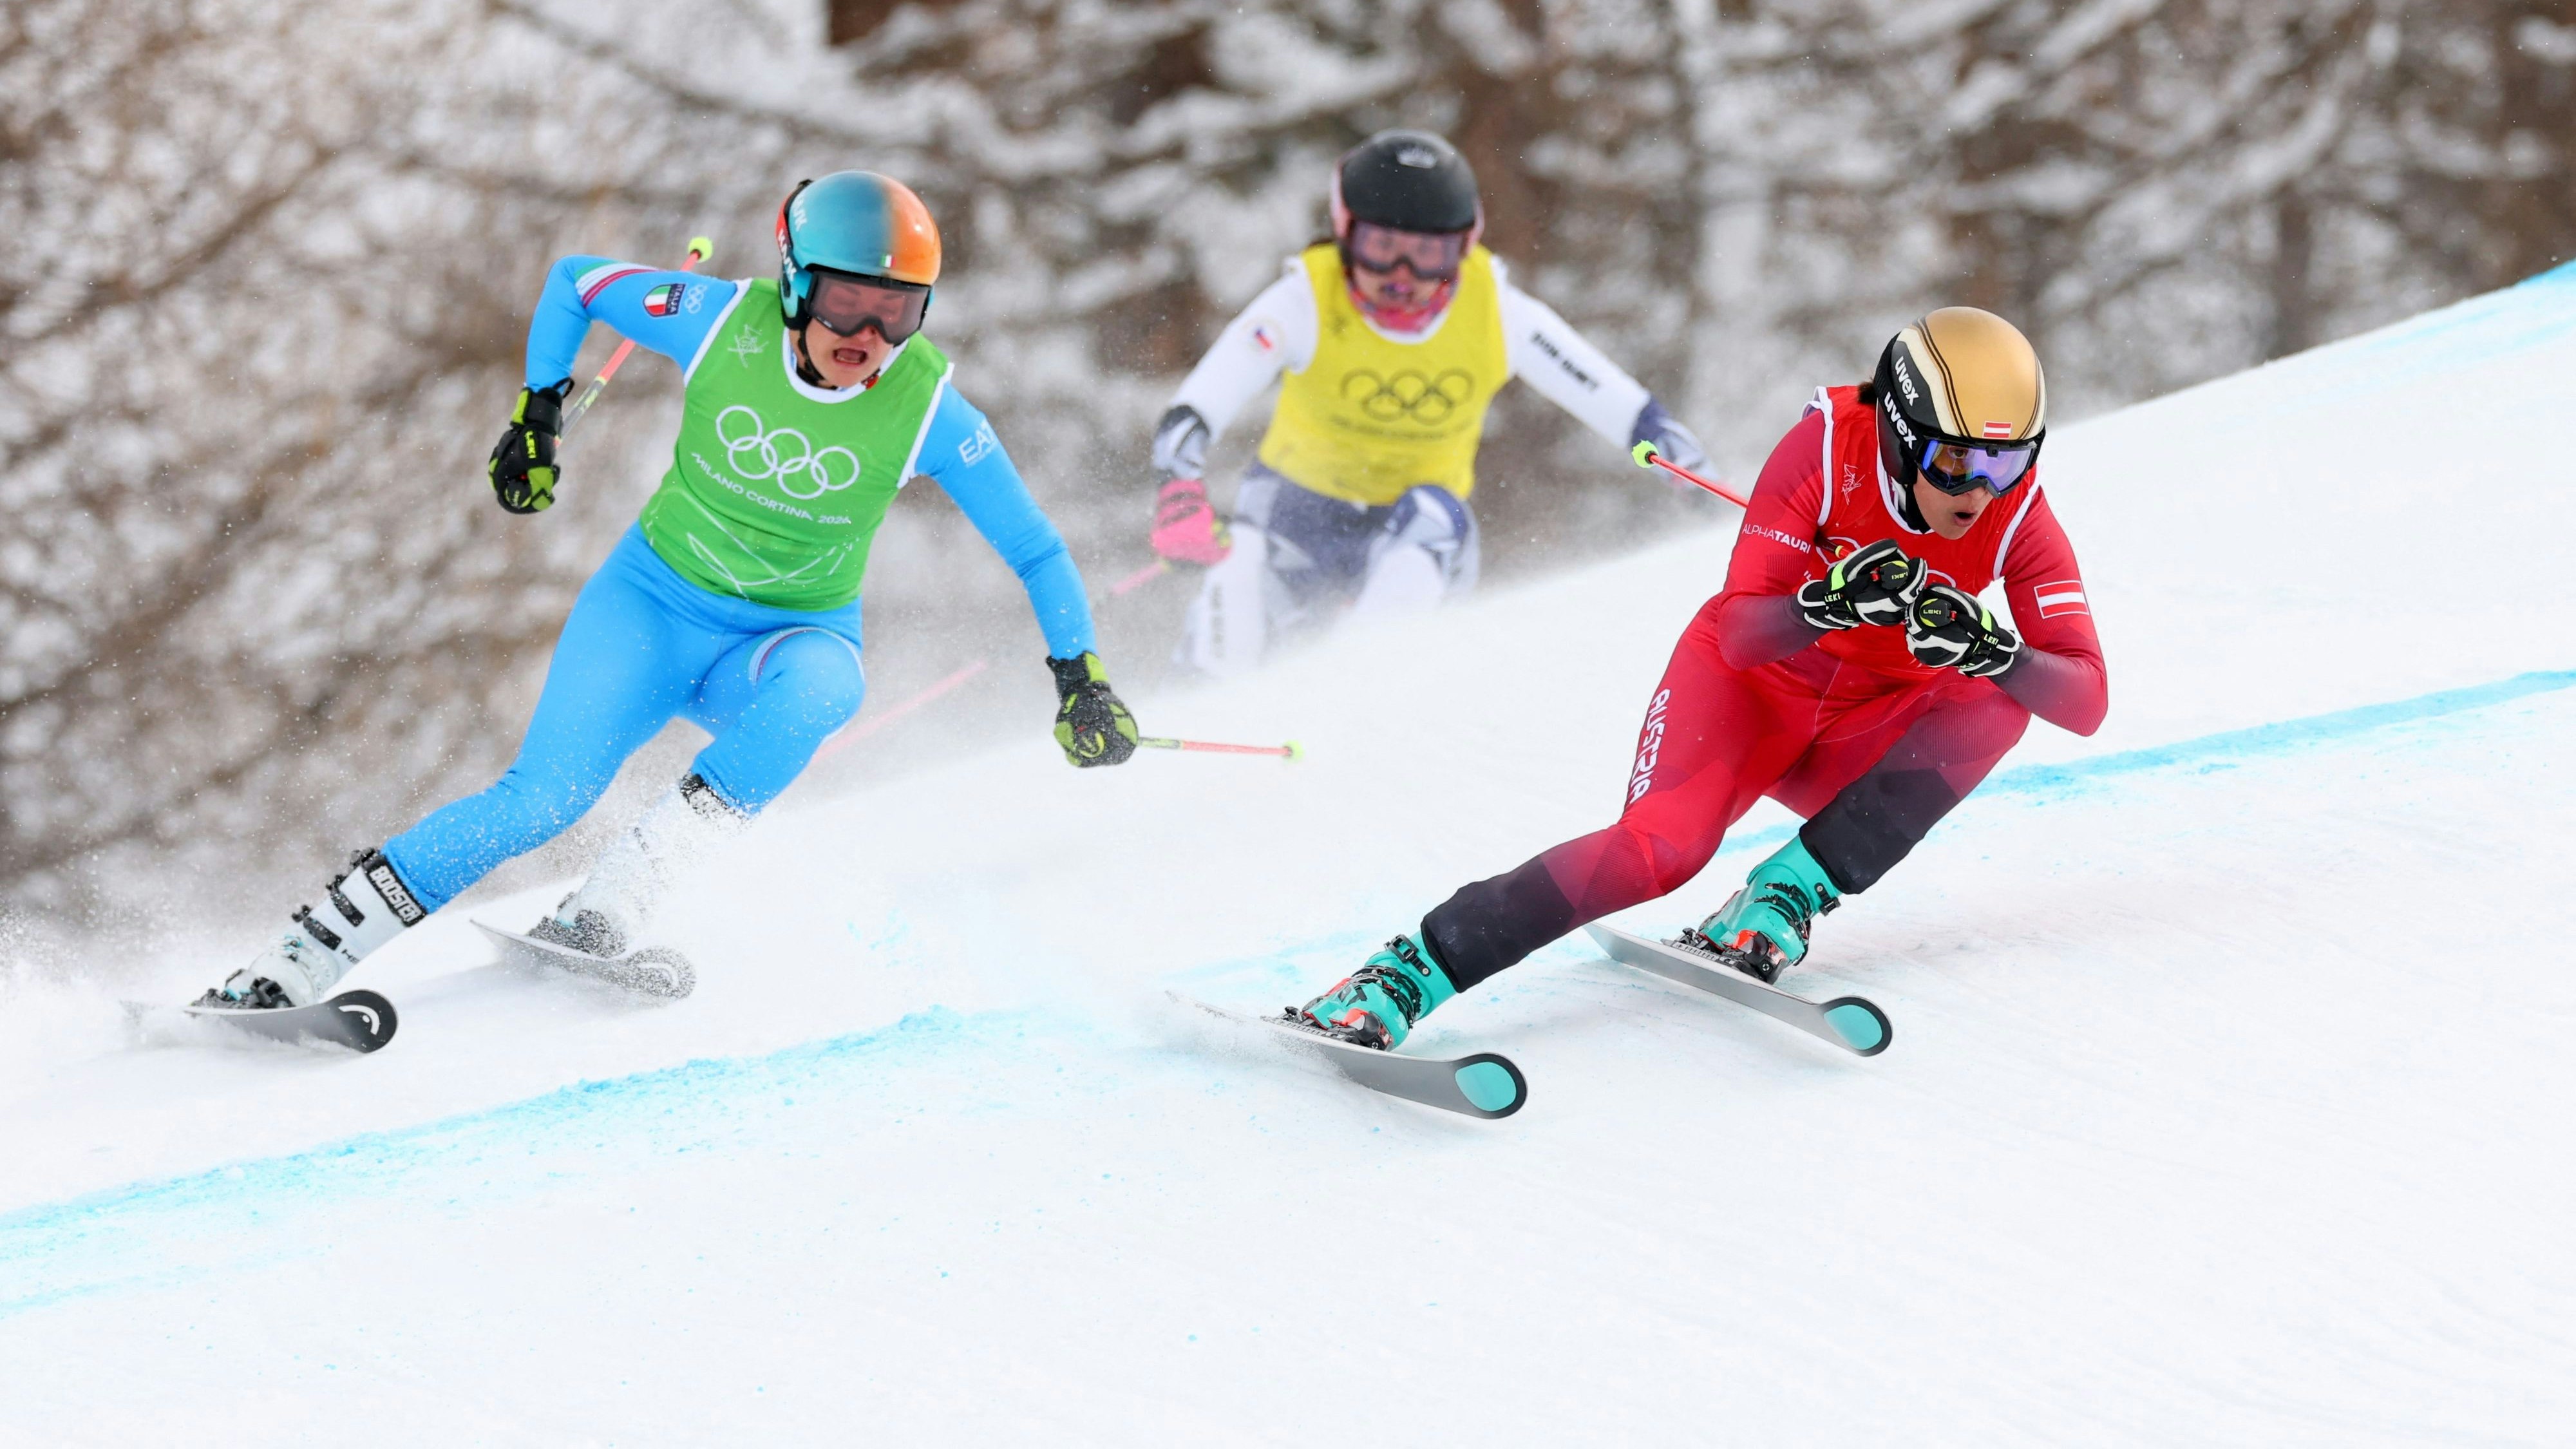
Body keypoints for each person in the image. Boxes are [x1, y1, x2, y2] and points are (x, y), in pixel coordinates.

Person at [199, 171, 1140, 1011]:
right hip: (647, 613)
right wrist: (537, 411)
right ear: (796, 282)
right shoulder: (718, 317)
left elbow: (1037, 550)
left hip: (782, 640)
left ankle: (613, 903)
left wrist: (1080, 675)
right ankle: (297, 959)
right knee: (540, 804)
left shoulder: (930, 407)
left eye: (897, 311)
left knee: (828, 689)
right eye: (847, 302)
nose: (867, 335)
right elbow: (576, 281)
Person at [1288, 307, 2108, 1048]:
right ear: (1897, 433)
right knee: (1658, 855)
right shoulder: (1822, 452)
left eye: (2004, 465)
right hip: (1747, 694)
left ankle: (1784, 894)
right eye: (1955, 461)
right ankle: (1405, 974)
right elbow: (1747, 632)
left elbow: (2085, 699)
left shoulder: (2018, 519)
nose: (1978, 493)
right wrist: (1829, 602)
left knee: (2000, 700)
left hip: (1856, 729)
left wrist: (1991, 651)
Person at [1144, 129, 1710, 674]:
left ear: (1462, 247)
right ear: (1345, 234)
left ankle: (1356, 689)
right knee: (1238, 578)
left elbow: (1611, 400)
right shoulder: (1305, 300)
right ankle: (1205, 702)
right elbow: (1199, 405)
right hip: (1295, 518)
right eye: (1381, 248)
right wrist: (1178, 489)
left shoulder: (1497, 312)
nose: (1403, 276)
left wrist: (1675, 460)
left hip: (1413, 533)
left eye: (1428, 254)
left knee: (1435, 517)